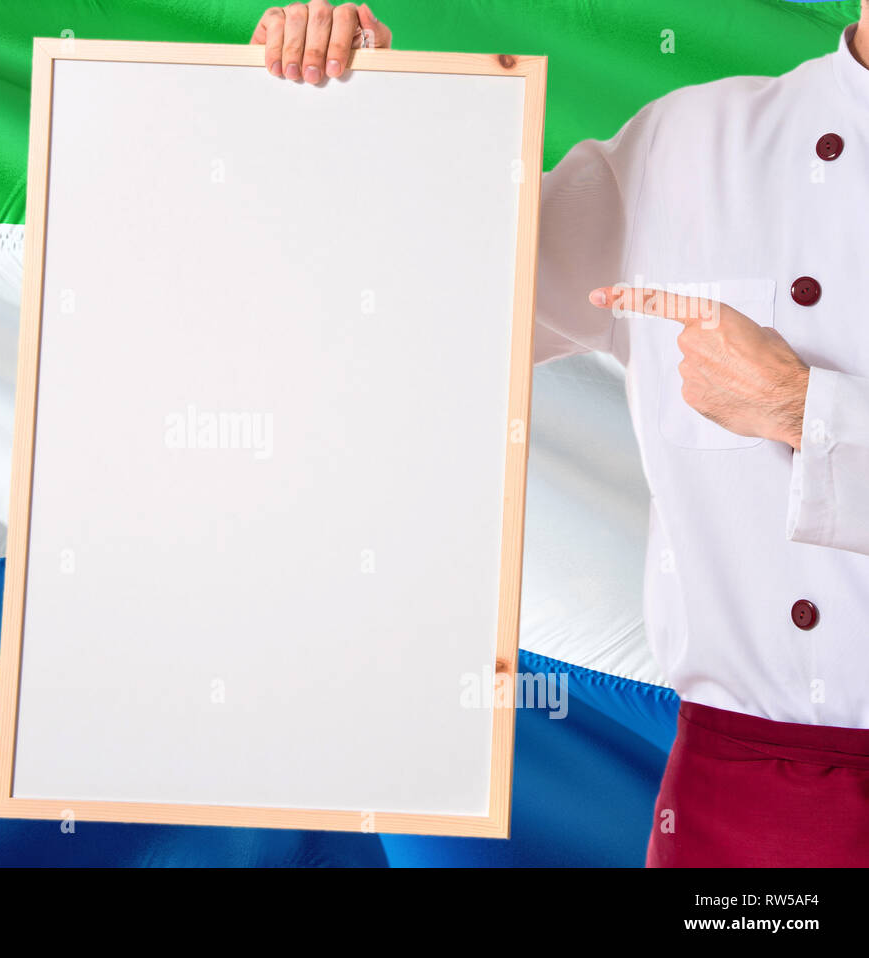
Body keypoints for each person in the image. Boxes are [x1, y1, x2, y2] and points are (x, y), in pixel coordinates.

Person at [251, 1, 869, 866]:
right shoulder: (688, 144)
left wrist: (807, 413)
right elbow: (436, 310)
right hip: (736, 807)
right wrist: (356, 106)